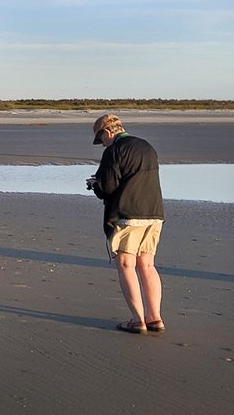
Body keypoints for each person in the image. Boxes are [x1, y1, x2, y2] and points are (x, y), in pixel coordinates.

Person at [87, 113, 166, 334]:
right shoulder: (147, 147)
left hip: (128, 214)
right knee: (148, 265)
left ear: (107, 132)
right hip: (154, 213)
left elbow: (107, 188)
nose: (101, 143)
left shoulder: (113, 151)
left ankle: (137, 320)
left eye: (100, 138)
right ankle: (155, 318)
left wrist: (94, 184)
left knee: (126, 264)